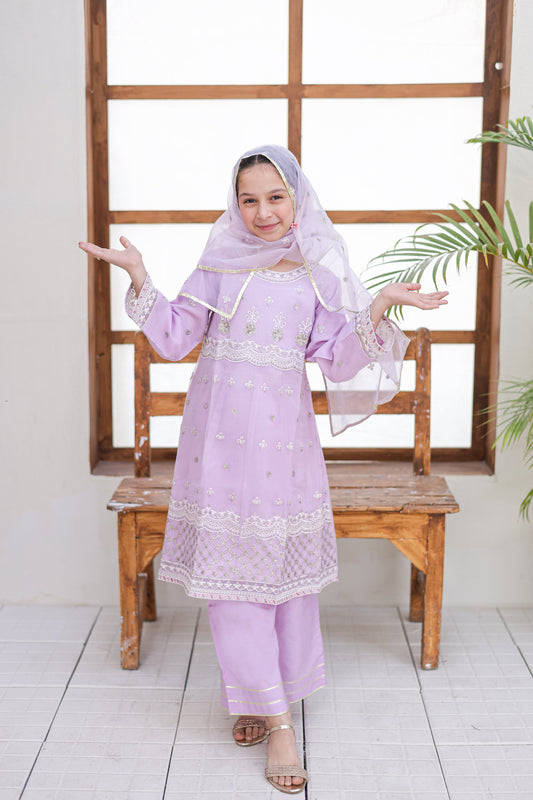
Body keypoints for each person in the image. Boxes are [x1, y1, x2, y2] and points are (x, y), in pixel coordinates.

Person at [79, 145, 448, 794]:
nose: (262, 212)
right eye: (248, 198)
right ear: (235, 202)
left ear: (296, 198)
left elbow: (335, 359)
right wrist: (139, 277)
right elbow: (171, 335)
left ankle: (272, 692)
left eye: (274, 197)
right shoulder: (220, 263)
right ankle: (276, 718)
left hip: (284, 444)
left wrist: (381, 302)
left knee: (284, 575)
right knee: (233, 578)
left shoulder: (314, 271)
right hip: (217, 443)